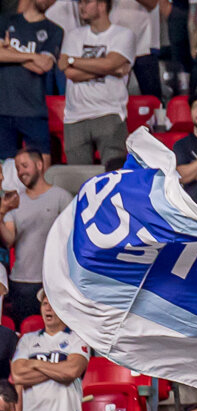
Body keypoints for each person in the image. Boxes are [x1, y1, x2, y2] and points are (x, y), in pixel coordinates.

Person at [12, 296, 87, 411]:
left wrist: (35, 363)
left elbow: (72, 372)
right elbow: (18, 375)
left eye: (53, 305)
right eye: (45, 304)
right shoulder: (28, 340)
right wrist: (58, 369)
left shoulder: (77, 338)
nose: (48, 309)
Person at [58, 0, 132, 169]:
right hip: (74, 117)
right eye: (80, 3)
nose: (81, 7)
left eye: (86, 2)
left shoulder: (124, 34)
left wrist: (73, 60)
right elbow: (70, 73)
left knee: (114, 177)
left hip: (109, 113)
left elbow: (109, 63)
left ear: (102, 5)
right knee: (78, 182)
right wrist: (111, 69)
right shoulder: (73, 35)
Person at [0, 150, 67, 322]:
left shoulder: (61, 196)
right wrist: (1, 213)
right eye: (17, 168)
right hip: (20, 283)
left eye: (24, 166)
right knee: (24, 334)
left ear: (39, 165)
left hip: (52, 280)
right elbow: (9, 240)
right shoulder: (15, 201)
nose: (21, 172)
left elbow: (71, 237)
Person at [0, 0, 61, 165]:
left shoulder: (54, 30)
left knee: (41, 169)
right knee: (5, 174)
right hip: (4, 109)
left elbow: (44, 65)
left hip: (33, 110)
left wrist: (11, 51)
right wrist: (33, 56)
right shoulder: (6, 20)